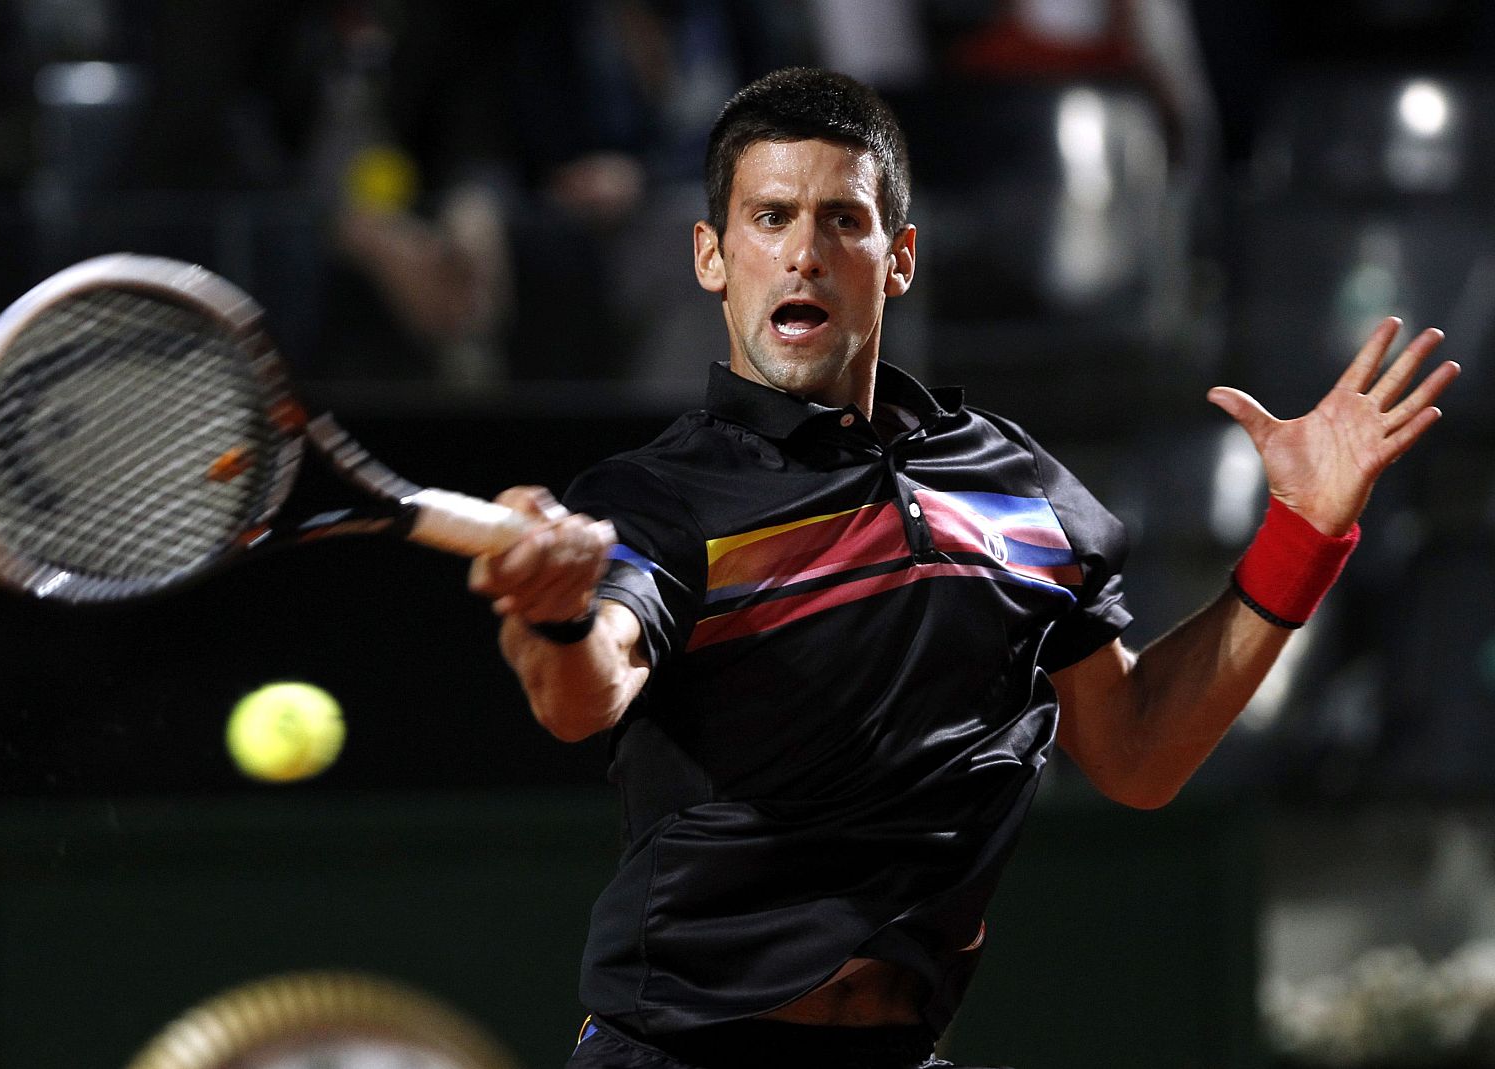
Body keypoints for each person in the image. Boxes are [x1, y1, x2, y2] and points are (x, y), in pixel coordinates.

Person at [467, 68, 1459, 1069]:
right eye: (769, 219)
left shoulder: (1014, 484)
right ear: (712, 257)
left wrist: (1298, 532)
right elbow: (585, 688)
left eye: (841, 221)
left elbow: (1139, 754)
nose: (804, 254)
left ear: (896, 258)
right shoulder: (660, 498)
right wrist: (553, 619)